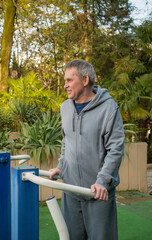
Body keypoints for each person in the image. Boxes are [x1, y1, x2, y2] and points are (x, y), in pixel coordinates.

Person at [49, 59, 125, 240]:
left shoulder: (108, 108)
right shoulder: (65, 107)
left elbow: (115, 148)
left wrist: (102, 181)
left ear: (85, 80)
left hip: (97, 193)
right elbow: (66, 140)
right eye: (65, 80)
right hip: (71, 191)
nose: (65, 85)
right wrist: (62, 166)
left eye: (69, 80)